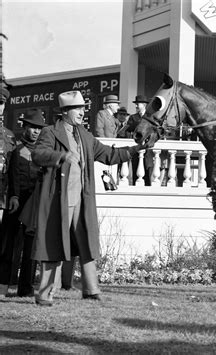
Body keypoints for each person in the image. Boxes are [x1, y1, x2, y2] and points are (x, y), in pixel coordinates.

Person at [31, 91, 143, 306]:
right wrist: (60, 156)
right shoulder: (50, 132)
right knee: (52, 244)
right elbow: (38, 155)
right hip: (58, 201)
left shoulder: (85, 135)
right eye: (78, 109)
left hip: (82, 199)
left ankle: (91, 290)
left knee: (86, 242)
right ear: (65, 112)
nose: (83, 112)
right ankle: (45, 295)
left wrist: (137, 149)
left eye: (83, 108)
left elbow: (110, 156)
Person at [0, 109, 46, 297]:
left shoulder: (43, 153)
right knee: (6, 245)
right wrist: (13, 197)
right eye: (32, 127)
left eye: (38, 128)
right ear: (24, 126)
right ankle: (2, 286)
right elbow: (11, 178)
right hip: (15, 202)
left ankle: (25, 289)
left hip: (34, 205)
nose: (35, 131)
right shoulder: (16, 149)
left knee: (30, 248)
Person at [0, 82, 17, 297]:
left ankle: (2, 287)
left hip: (3, 197)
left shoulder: (9, 136)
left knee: (3, 244)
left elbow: (12, 170)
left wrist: (13, 194)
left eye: (2, 104)